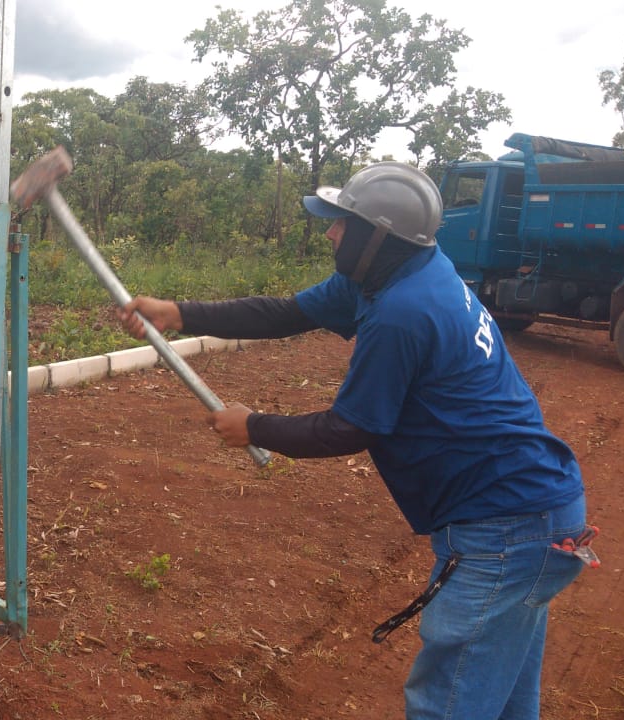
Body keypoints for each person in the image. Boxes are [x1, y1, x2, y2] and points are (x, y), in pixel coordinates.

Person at [118, 162, 594, 720]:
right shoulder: (406, 272)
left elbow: (351, 427)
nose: (330, 232)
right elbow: (286, 313)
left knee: (448, 705)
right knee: (504, 703)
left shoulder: (403, 312)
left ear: (378, 237)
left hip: (505, 530)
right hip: (535, 514)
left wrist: (255, 426)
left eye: (342, 223)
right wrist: (179, 313)